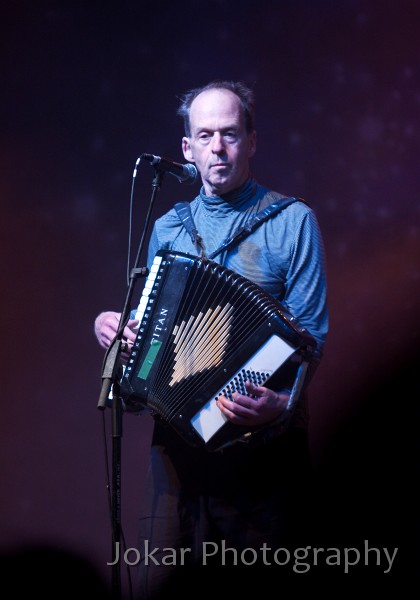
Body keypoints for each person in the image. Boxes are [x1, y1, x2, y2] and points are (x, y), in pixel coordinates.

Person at [94, 80, 328, 598]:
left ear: (252, 141)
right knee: (162, 586)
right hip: (176, 451)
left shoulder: (292, 222)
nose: (217, 148)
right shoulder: (167, 228)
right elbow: (149, 334)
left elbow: (310, 338)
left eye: (229, 134)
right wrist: (112, 328)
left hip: (261, 450)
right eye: (205, 135)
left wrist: (282, 405)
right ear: (187, 148)